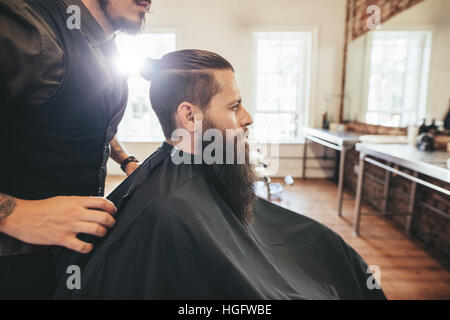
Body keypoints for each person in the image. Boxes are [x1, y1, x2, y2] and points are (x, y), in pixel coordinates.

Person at [55, 50, 386, 300]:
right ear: (190, 116)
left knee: (337, 258)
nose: (248, 117)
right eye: (234, 106)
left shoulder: (199, 178)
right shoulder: (168, 209)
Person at [0, 0, 151, 299]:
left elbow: (91, 124)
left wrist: (127, 161)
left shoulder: (105, 46)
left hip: (65, 257)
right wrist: (13, 214)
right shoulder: (26, 27)